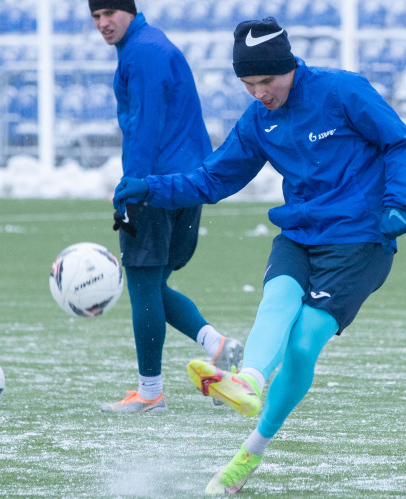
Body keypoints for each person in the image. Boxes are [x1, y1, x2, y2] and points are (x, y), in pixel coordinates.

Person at [112, 17, 406, 492]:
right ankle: (250, 381)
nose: (259, 92)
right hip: (298, 234)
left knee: (302, 345)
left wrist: (397, 202)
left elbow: (401, 143)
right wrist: (150, 188)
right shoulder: (259, 120)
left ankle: (249, 452)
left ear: (290, 66)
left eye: (267, 81)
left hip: (360, 240)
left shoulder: (342, 91)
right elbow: (213, 178)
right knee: (278, 297)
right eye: (248, 84)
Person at [89, 0, 243, 414]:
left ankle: (150, 393)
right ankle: (217, 344)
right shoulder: (154, 45)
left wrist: (132, 186)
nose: (103, 23)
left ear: (129, 11)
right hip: (185, 181)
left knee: (142, 284)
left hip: (155, 183)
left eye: (109, 14)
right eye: (96, 17)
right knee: (155, 285)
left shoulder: (142, 52)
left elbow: (146, 122)